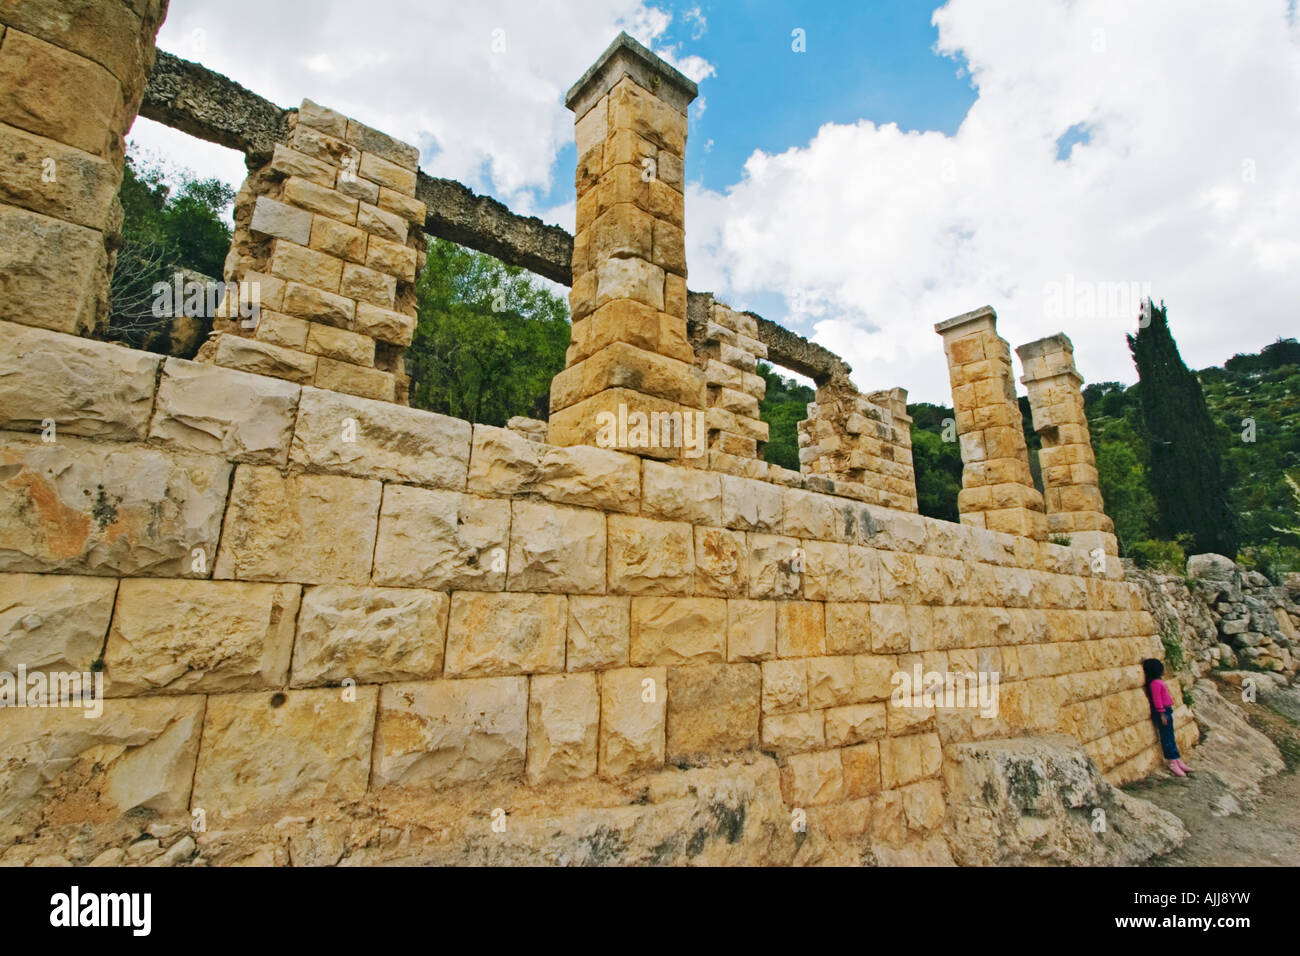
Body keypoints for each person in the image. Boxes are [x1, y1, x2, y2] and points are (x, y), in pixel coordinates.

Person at [1142, 658, 1192, 777]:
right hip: (1163, 712)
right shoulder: (1155, 683)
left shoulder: (1157, 682)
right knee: (1167, 738)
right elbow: (1157, 700)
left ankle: (1177, 759)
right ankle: (1172, 762)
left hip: (1167, 711)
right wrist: (1162, 714)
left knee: (1170, 736)